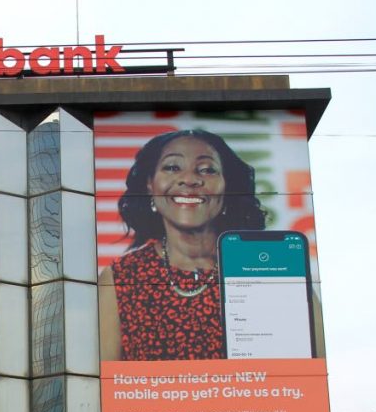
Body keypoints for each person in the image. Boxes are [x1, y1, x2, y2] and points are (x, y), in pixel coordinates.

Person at [99, 128, 266, 361]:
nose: (189, 179)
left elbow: (309, 371)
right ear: (150, 184)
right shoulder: (120, 279)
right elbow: (103, 386)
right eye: (172, 167)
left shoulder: (269, 267)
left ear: (227, 187)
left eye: (207, 169)